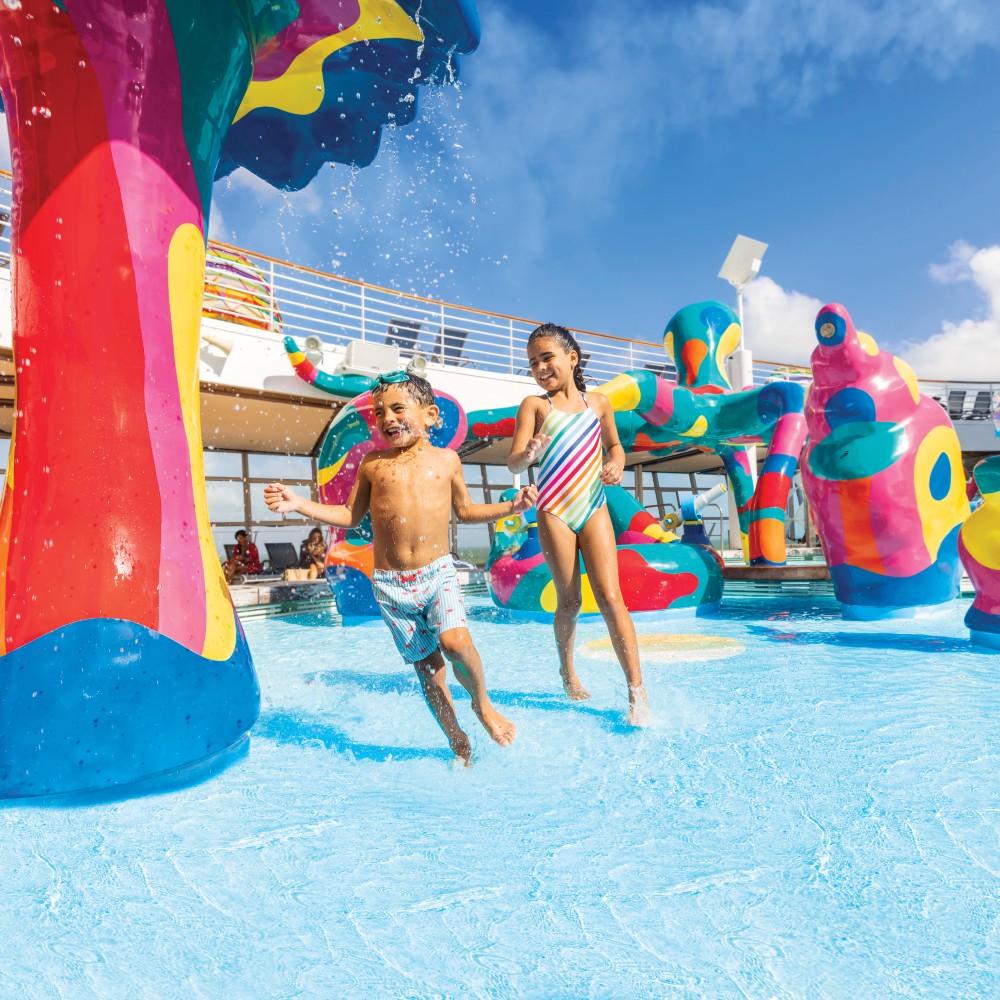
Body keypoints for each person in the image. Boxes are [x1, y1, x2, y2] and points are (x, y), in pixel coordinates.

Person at [264, 370, 535, 763]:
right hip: (391, 585)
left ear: (430, 415)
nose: (387, 418)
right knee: (429, 669)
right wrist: (299, 503)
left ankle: (482, 704)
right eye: (379, 412)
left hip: (437, 574)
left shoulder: (447, 460)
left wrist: (512, 506)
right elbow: (350, 515)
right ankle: (456, 737)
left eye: (397, 408)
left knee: (455, 642)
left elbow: (465, 510)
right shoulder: (373, 464)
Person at [507, 323, 649, 725]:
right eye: (533, 363)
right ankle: (567, 672)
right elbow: (514, 462)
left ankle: (636, 690)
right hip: (554, 509)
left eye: (546, 358)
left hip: (593, 506)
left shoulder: (598, 403)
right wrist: (529, 453)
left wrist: (616, 462)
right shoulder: (535, 406)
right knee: (569, 601)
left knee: (610, 597)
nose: (540, 367)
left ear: (572, 358)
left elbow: (615, 446)